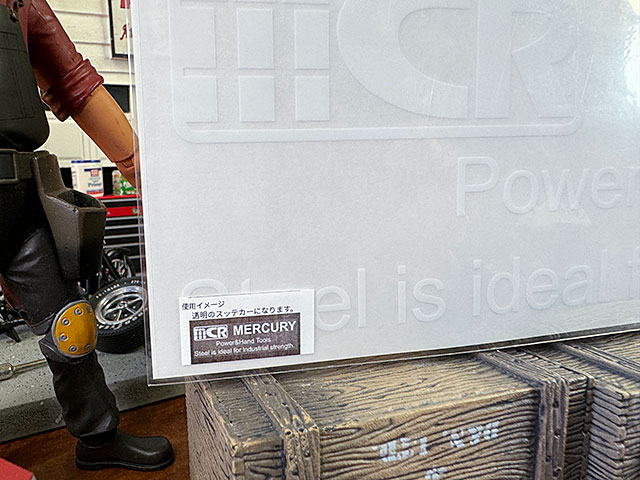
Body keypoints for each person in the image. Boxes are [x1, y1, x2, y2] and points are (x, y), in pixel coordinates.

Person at [0, 0, 173, 471]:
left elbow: (73, 82)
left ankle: (97, 438)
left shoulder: (21, 5)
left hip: (19, 195)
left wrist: (142, 171)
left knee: (71, 326)